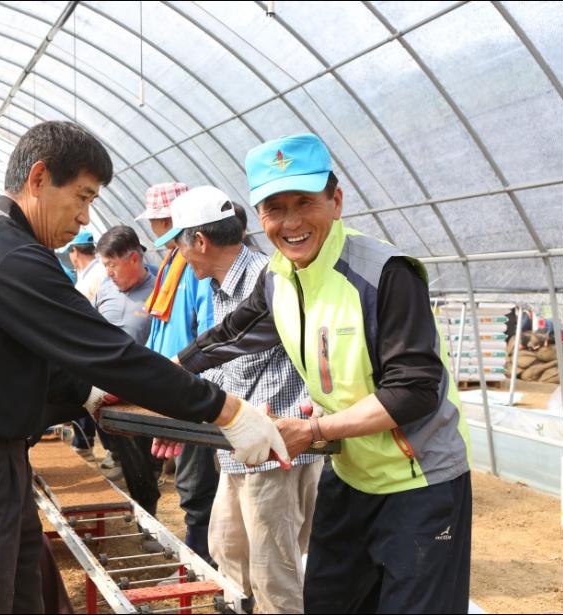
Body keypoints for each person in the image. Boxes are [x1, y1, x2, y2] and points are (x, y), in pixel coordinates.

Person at [0, 121, 287, 614]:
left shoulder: (3, 247)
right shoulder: (5, 254)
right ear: (38, 179)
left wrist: (89, 394)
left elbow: (41, 359)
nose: (84, 219)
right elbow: (108, 351)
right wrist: (227, 411)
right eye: (80, 197)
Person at [176, 133, 472, 614]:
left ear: (335, 201)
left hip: (418, 482)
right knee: (329, 601)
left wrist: (314, 428)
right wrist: (163, 372)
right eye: (274, 209)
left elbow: (414, 391)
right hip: (350, 471)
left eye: (304, 202)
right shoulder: (279, 278)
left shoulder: (385, 275)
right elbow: (228, 336)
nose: (291, 223)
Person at [154, 185, 322, 613]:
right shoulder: (220, 285)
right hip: (235, 449)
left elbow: (231, 346)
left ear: (201, 242)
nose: (177, 259)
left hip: (274, 452)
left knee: (274, 574)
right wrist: (179, 415)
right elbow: (223, 362)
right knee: (227, 551)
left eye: (178, 248)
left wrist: (167, 377)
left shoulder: (270, 280)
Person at [139, 181, 219, 561]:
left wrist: (189, 395)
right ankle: (200, 557)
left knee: (195, 486)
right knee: (190, 483)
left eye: (155, 220)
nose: (152, 228)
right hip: (171, 390)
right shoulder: (173, 261)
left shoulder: (194, 265)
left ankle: (202, 561)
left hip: (190, 394)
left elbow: (207, 333)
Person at [92, 225, 161, 513]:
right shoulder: (105, 288)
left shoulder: (160, 286)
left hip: (149, 391)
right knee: (133, 460)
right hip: (111, 391)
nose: (108, 272)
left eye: (112, 265)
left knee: (149, 460)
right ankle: (146, 511)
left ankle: (151, 510)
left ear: (134, 259)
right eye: (104, 265)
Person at [62, 230, 103, 461]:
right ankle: (85, 443)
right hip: (86, 344)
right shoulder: (86, 274)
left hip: (87, 345)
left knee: (86, 395)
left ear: (74, 252)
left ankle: (84, 444)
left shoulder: (93, 275)